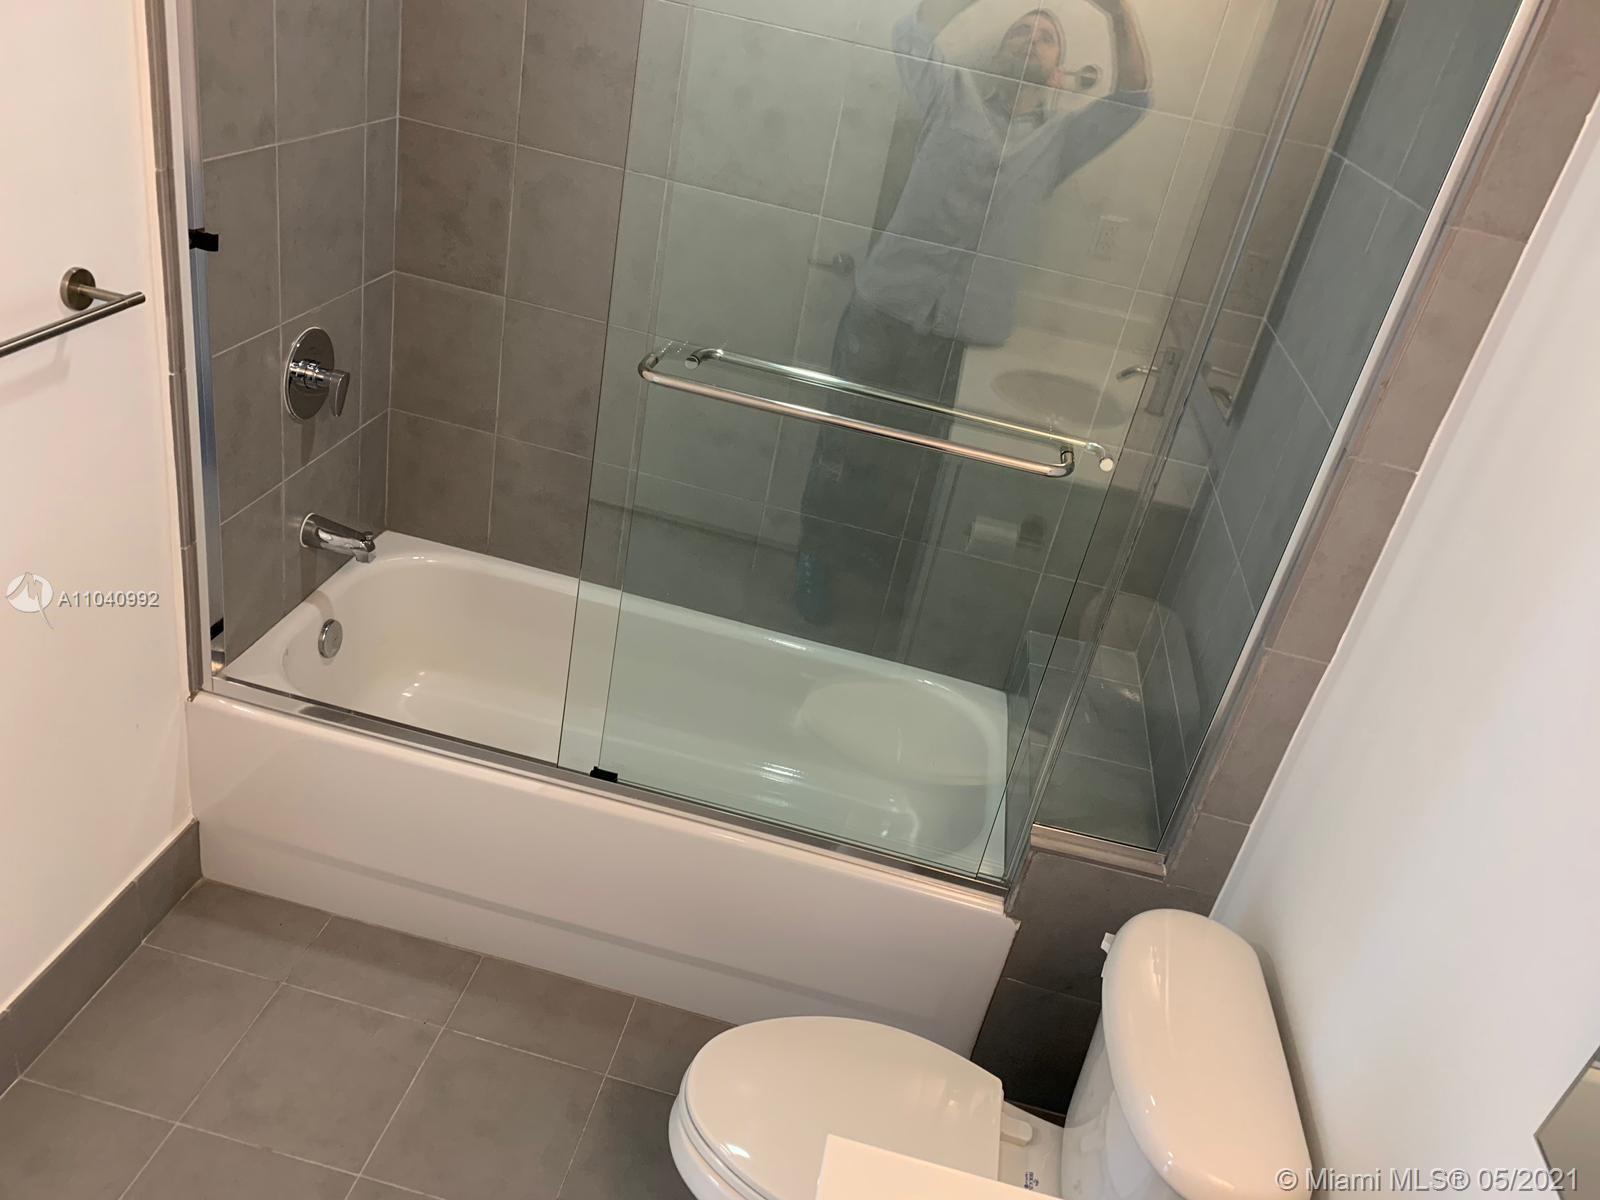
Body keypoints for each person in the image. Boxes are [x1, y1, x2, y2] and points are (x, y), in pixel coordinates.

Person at [794, 0, 1151, 625]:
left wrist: (1117, 10)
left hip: (959, 339)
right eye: (1021, 30)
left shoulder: (1061, 140)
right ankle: (815, 558)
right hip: (883, 310)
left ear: (1059, 69)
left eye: (1046, 37)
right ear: (998, 51)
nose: (1030, 38)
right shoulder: (949, 94)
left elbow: (1135, 100)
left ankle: (887, 575)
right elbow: (911, 29)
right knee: (842, 446)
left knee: (918, 468)